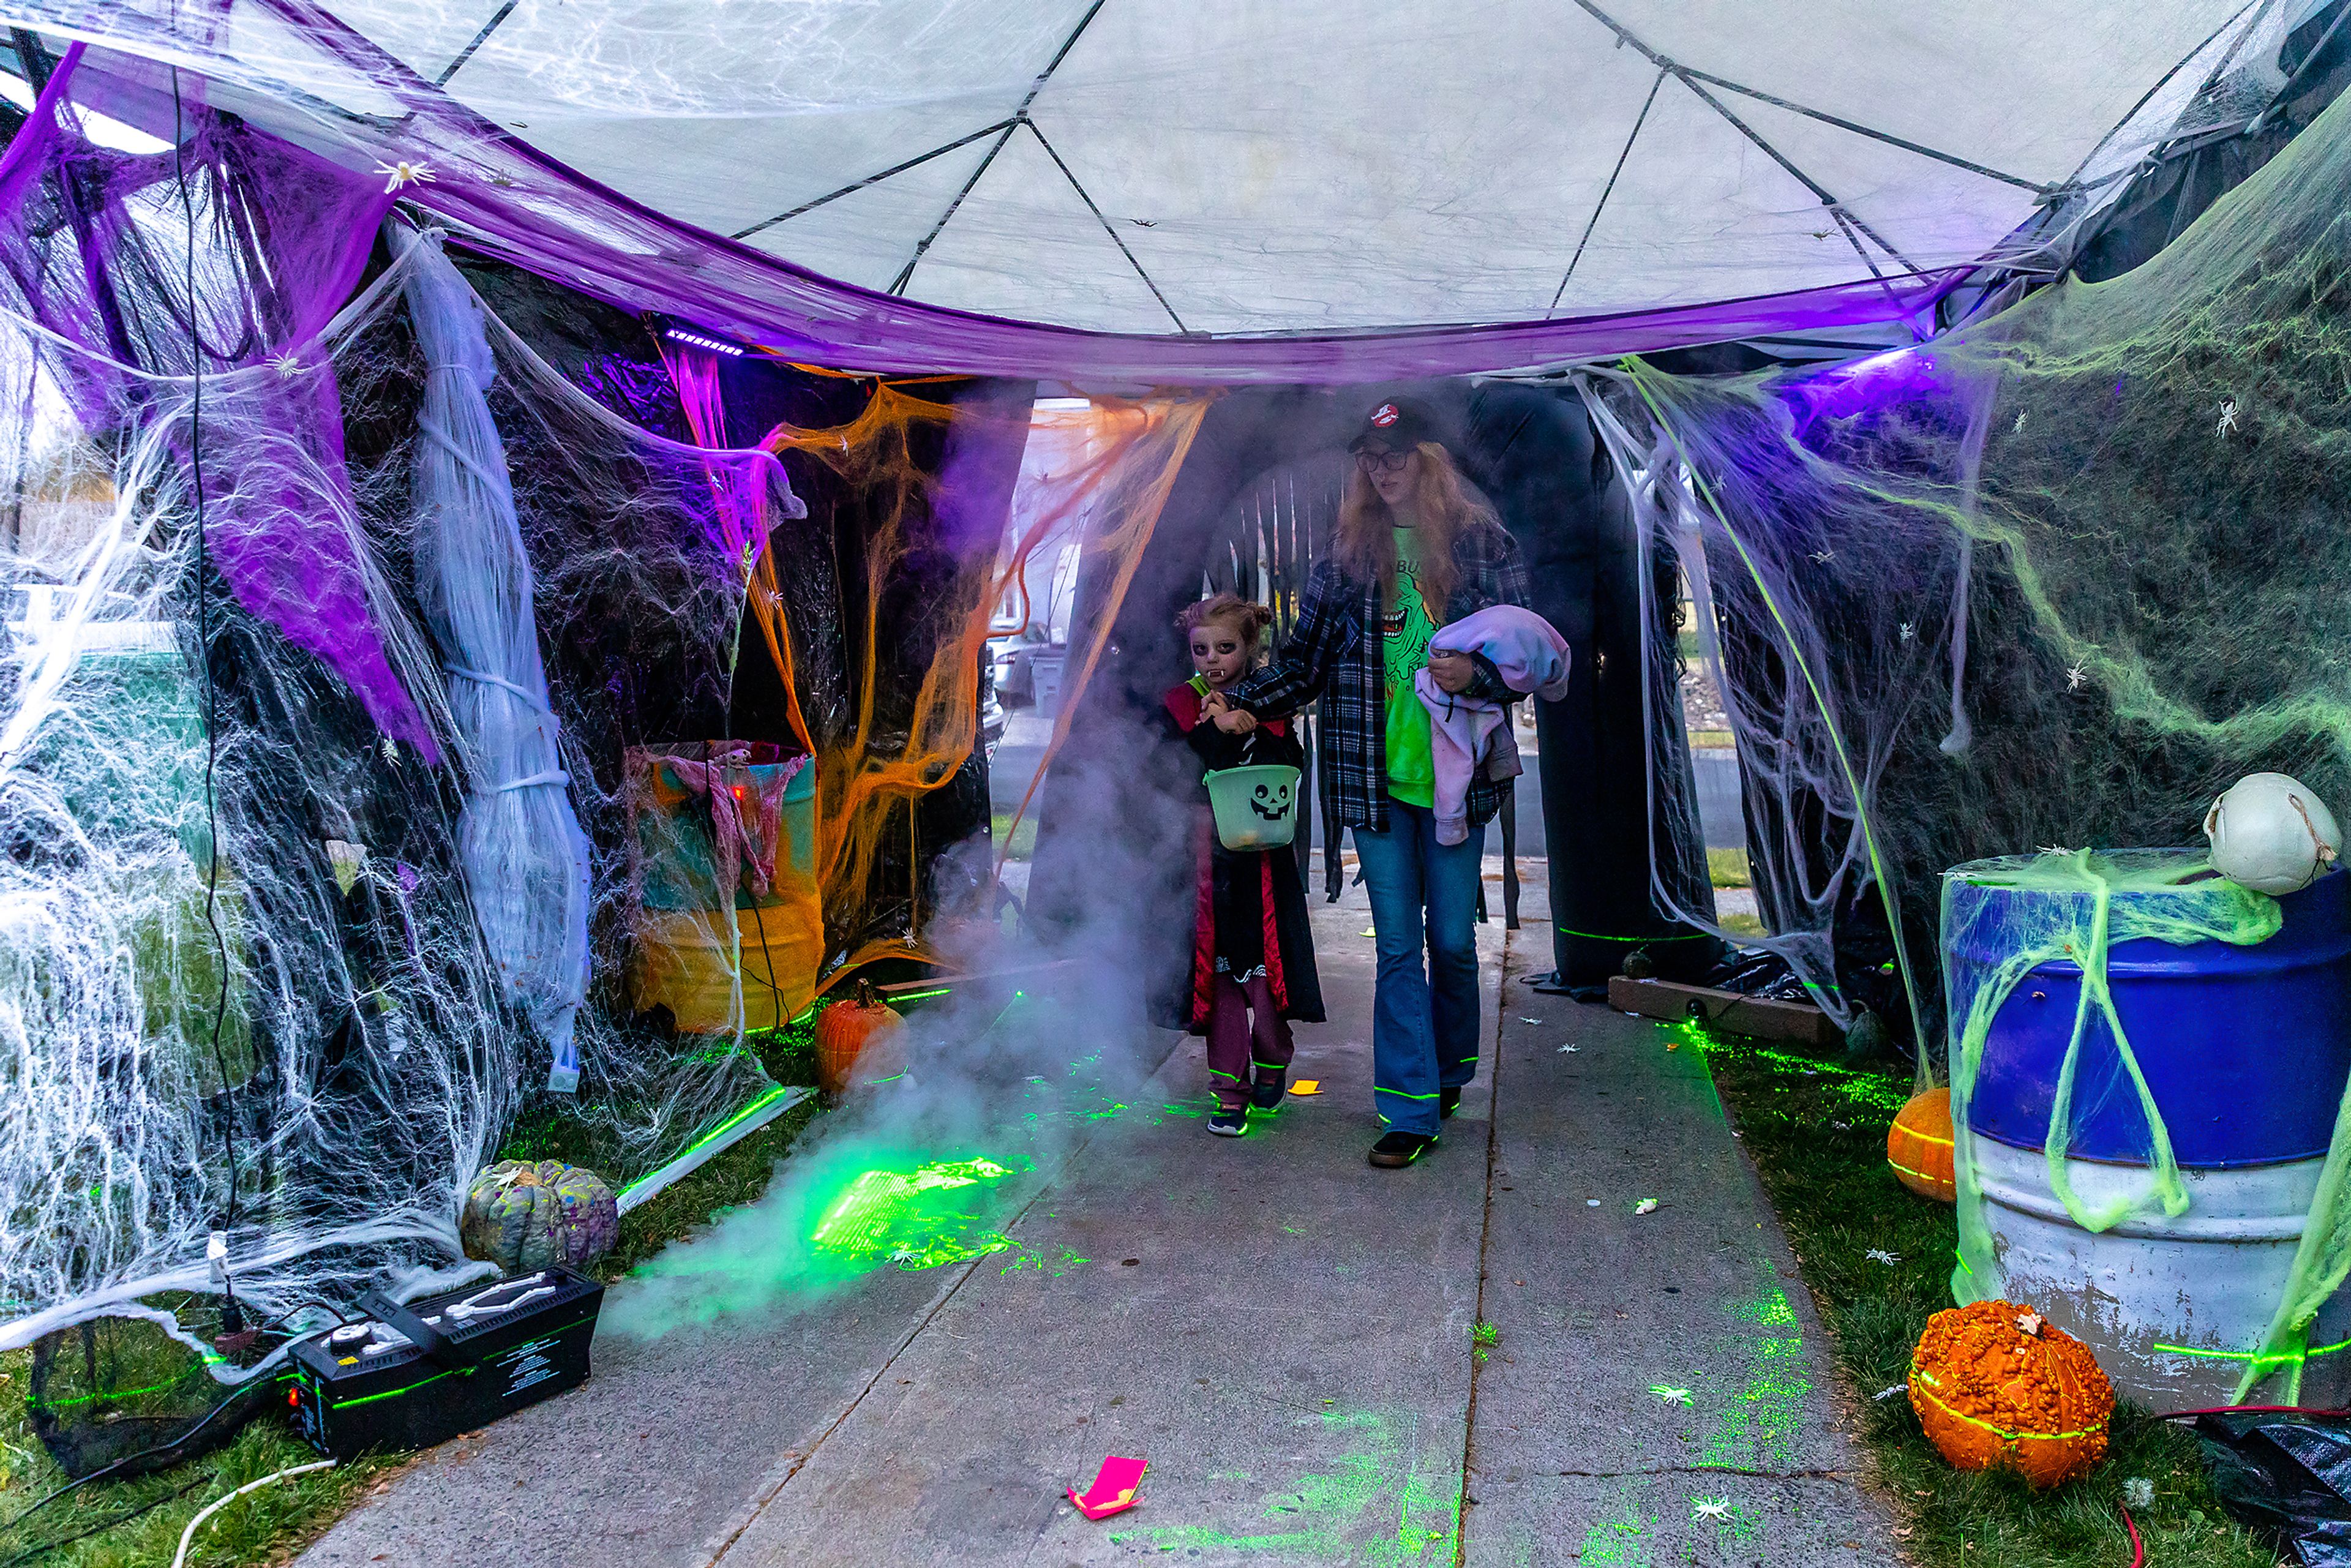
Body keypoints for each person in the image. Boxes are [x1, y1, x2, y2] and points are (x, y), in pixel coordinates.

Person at [1206, 398, 1529, 1168]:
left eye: (1394, 455)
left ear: (1429, 457)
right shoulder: (1347, 552)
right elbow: (1304, 661)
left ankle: (1448, 1070)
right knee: (1395, 949)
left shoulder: (1481, 543)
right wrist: (1240, 700)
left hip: (1456, 784)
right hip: (1373, 784)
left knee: (1451, 943)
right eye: (1369, 458)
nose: (1379, 471)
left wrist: (1477, 672)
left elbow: (1526, 658)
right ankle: (1409, 1108)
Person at [1162, 593, 1325, 1138]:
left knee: (1266, 977)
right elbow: (1177, 772)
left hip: (1264, 866)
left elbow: (1293, 768)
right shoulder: (1182, 706)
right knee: (1222, 983)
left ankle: (1274, 1059)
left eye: (1226, 648)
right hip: (1209, 869)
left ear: (1250, 649)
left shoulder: (1271, 701)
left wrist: (1248, 725)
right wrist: (1216, 728)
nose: (1213, 660)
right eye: (1201, 649)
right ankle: (1229, 1093)